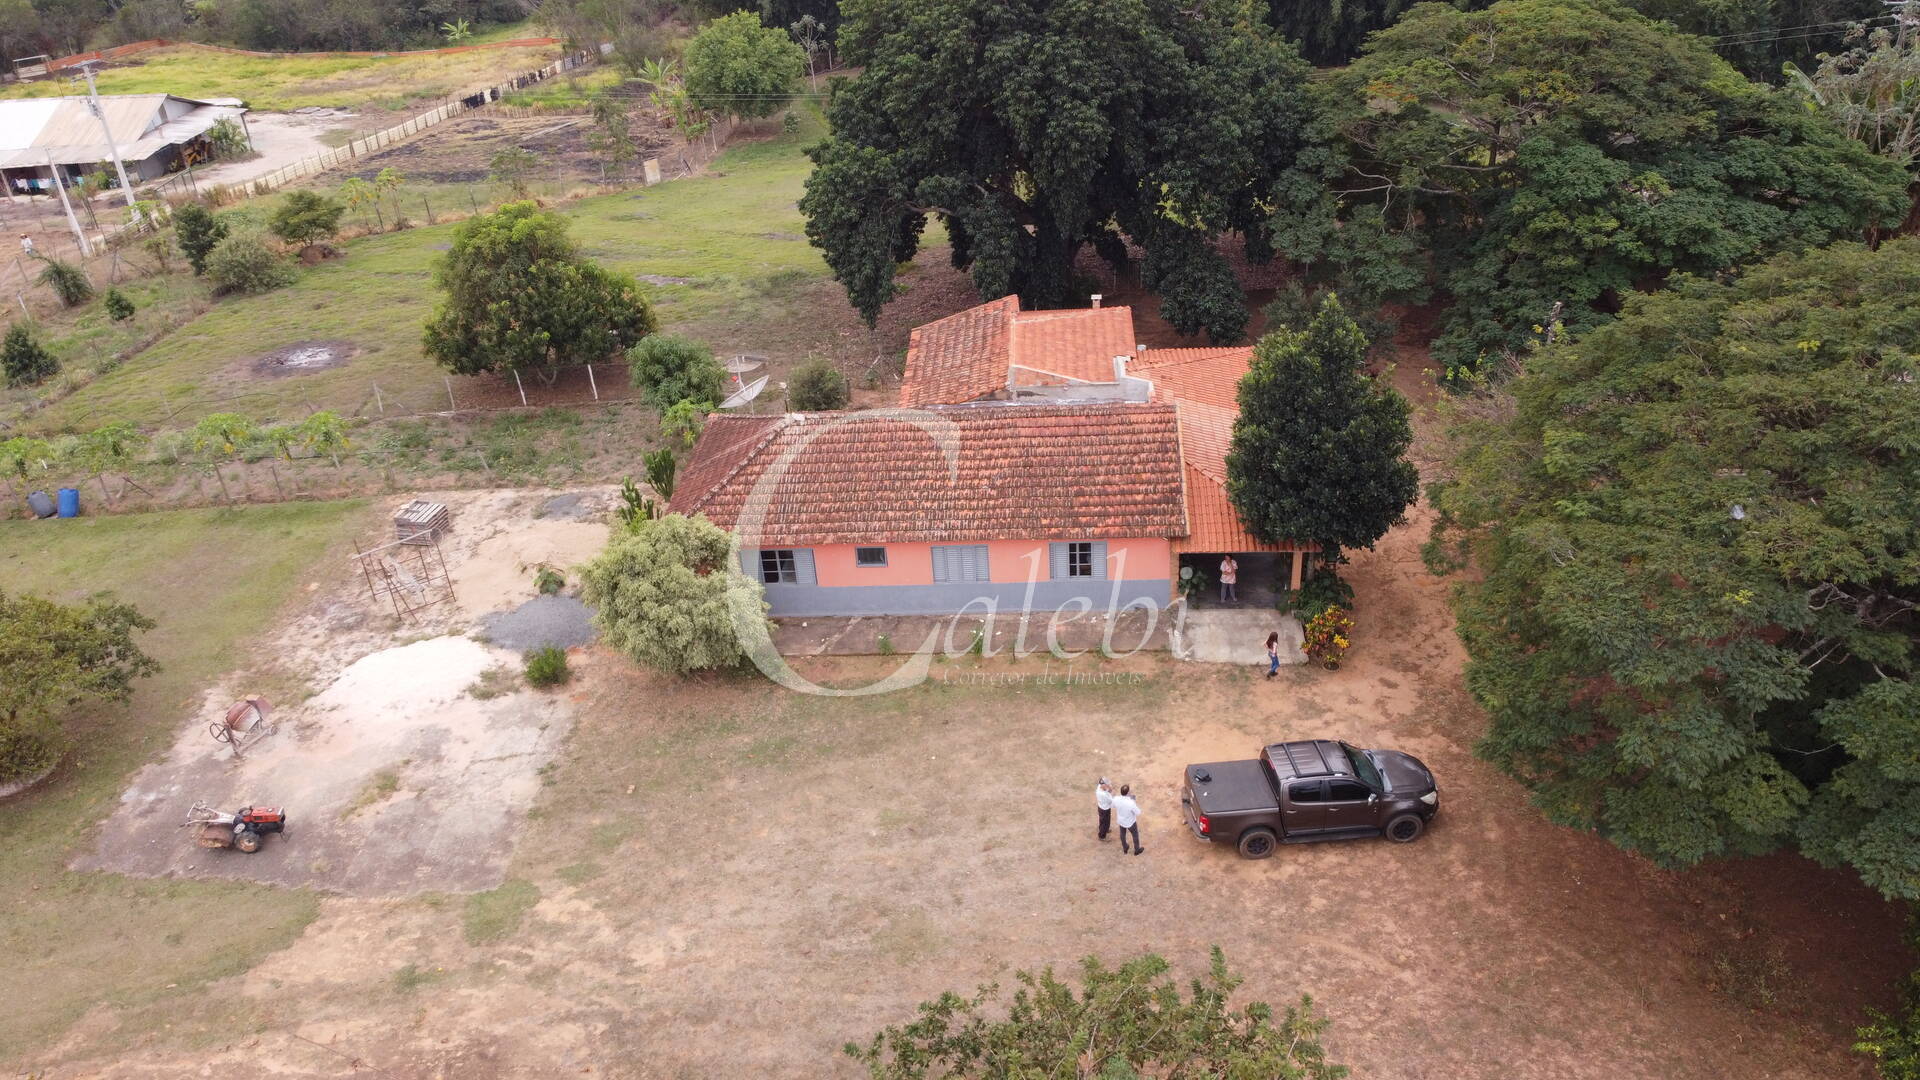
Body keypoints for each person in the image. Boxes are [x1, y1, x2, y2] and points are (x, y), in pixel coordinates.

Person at [1113, 784, 1142, 855]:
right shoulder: (1131, 803)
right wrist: (1133, 801)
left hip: (1121, 821)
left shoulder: (1116, 799)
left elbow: (1113, 805)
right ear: (1128, 792)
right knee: (1135, 835)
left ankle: (1125, 847)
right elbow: (1138, 812)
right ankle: (1137, 850)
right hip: (1130, 822)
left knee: (1122, 834)